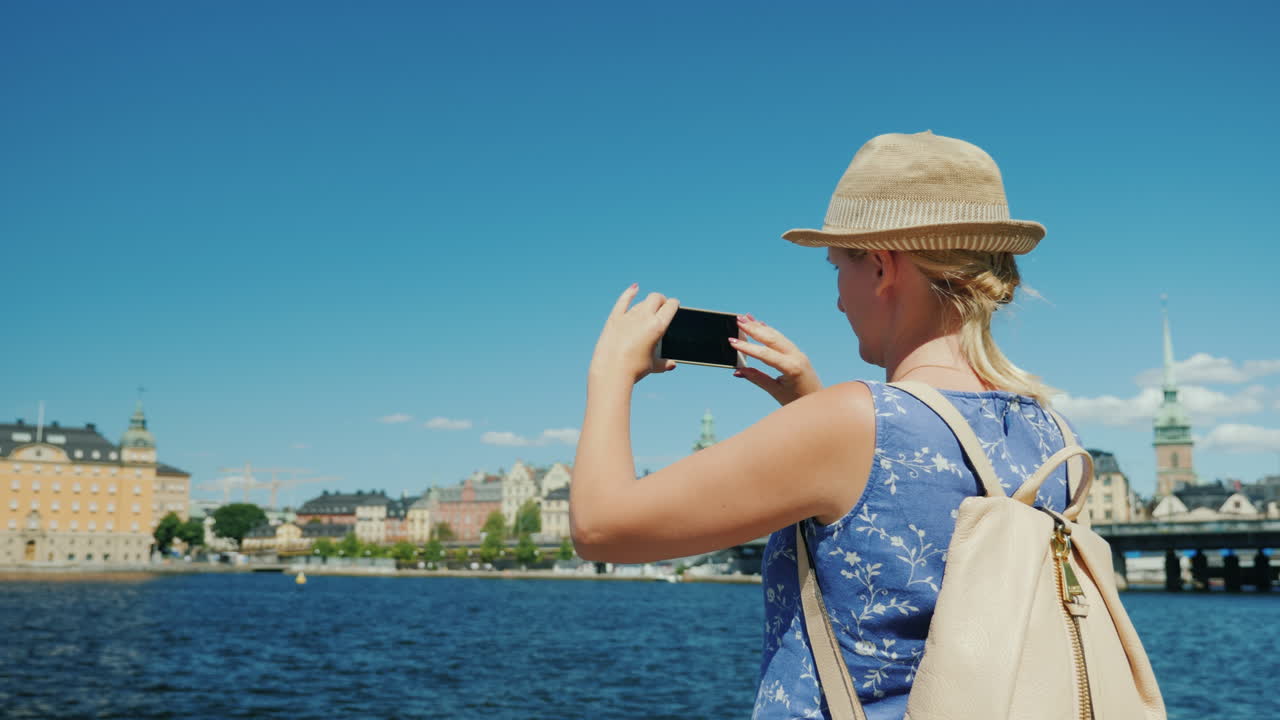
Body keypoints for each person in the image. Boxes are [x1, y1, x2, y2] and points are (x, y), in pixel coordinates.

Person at [571, 130, 1078, 720]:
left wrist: (609, 374)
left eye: (838, 265)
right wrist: (811, 405)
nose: (837, 298)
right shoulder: (1051, 432)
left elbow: (601, 529)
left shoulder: (851, 421)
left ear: (883, 268)